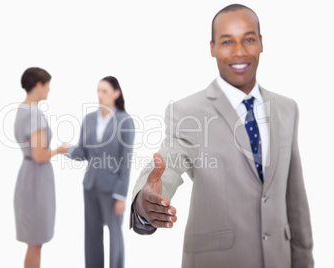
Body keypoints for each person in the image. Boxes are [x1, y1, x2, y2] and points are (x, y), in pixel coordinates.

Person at [130, 4, 314, 268]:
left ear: (261, 43)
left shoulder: (287, 108)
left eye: (248, 39)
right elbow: (168, 162)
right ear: (212, 48)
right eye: (227, 41)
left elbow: (294, 196)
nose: (239, 51)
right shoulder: (186, 111)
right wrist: (145, 200)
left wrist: (304, 260)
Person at [65, 76, 135, 268]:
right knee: (92, 234)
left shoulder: (125, 121)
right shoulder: (89, 119)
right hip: (90, 185)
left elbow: (126, 160)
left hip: (112, 188)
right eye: (98, 91)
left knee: (115, 234)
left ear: (116, 93)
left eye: (105, 91)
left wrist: (121, 195)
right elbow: (83, 153)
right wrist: (69, 150)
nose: (100, 95)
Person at [14, 67, 69, 268]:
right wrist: (59, 150)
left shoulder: (21, 109)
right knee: (36, 242)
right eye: (47, 85)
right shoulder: (34, 115)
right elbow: (39, 155)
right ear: (38, 85)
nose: (49, 90)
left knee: (34, 241)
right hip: (36, 181)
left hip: (27, 176)